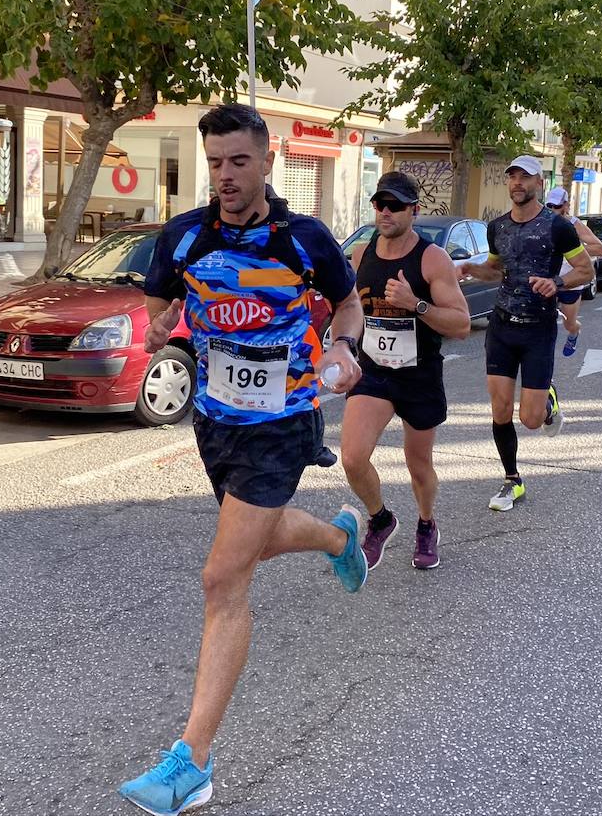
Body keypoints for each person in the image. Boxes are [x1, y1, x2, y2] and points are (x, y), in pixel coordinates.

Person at [121, 103, 368, 815]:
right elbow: (161, 309)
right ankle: (337, 535)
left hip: (284, 421)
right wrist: (160, 326)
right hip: (217, 422)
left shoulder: (306, 239)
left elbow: (347, 307)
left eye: (239, 161)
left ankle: (192, 761)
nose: (226, 175)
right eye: (216, 162)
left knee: (222, 577)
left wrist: (343, 346)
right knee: (253, 541)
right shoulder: (184, 236)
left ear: (268, 160)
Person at [340, 171, 472, 571]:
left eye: (395, 205)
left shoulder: (432, 258)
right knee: (352, 457)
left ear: (414, 210)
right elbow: (351, 309)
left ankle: (426, 524)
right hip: (375, 372)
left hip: (419, 375)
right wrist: (342, 347)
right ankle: (381, 520)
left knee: (418, 464)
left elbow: (462, 324)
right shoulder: (361, 255)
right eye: (380, 204)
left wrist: (416, 304)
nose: (385, 212)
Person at [456, 156, 595, 512]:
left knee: (530, 420)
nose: (517, 182)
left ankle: (547, 401)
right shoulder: (496, 228)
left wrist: (556, 282)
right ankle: (511, 480)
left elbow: (586, 269)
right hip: (502, 327)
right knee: (500, 409)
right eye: (512, 176)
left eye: (525, 177)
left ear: (539, 184)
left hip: (538, 329)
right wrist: (472, 269)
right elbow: (495, 270)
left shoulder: (558, 227)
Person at [544, 187, 602, 357]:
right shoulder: (541, 222)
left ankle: (574, 333)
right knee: (542, 325)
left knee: (569, 323)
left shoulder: (574, 225)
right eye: (549, 206)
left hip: (570, 281)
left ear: (566, 205)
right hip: (547, 280)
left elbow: (600, 249)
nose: (552, 210)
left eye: (556, 207)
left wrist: (573, 249)